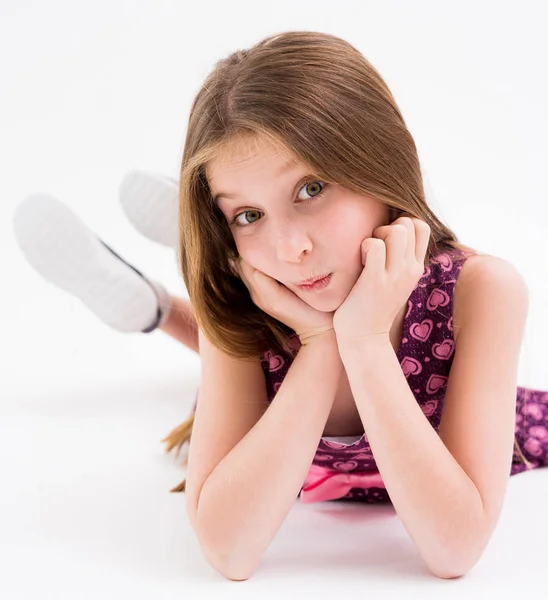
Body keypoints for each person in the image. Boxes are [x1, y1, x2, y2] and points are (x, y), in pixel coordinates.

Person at [13, 30, 545, 580]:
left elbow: (455, 550)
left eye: (311, 189)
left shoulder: (482, 292)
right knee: (236, 327)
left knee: (243, 335)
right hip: (271, 372)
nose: (291, 251)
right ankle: (190, 272)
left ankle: (170, 296)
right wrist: (318, 344)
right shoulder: (248, 294)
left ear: (383, 165)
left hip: (381, 401)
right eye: (248, 215)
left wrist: (361, 341)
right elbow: (228, 552)